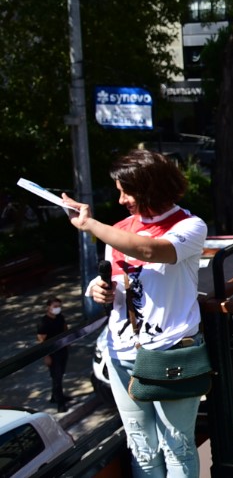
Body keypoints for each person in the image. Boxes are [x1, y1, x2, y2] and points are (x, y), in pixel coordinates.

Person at [64, 149, 207, 478]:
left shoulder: (189, 226)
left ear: (150, 188)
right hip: (121, 353)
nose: (121, 200)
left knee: (178, 444)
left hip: (170, 352)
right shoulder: (117, 230)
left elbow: (150, 250)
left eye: (126, 191)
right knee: (140, 444)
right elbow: (116, 279)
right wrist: (98, 290)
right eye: (118, 191)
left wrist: (90, 225)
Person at [36, 296, 69, 412]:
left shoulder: (60, 317)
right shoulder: (43, 322)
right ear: (48, 307)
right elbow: (41, 341)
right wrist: (46, 356)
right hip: (52, 353)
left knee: (59, 375)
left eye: (59, 306)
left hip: (62, 350)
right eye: (55, 307)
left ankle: (54, 397)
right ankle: (60, 403)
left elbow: (65, 329)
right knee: (56, 377)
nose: (57, 309)